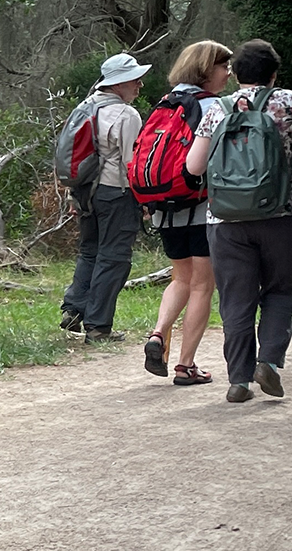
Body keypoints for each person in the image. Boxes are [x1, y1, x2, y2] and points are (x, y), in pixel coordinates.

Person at [186, 39, 292, 403]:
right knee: (280, 290)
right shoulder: (287, 100)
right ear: (274, 74)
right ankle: (269, 362)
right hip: (283, 214)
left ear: (236, 74)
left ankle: (238, 380)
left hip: (224, 219)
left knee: (236, 300)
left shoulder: (217, 109)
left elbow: (193, 166)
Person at [142, 40, 233, 386]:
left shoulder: (164, 104)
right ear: (207, 70)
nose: (228, 73)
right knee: (202, 285)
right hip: (200, 204)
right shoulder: (215, 107)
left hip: (165, 207)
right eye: (224, 66)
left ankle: (158, 334)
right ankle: (185, 365)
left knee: (180, 278)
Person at [60, 52, 150, 343]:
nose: (139, 85)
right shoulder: (126, 115)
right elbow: (131, 164)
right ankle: (98, 326)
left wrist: (74, 196)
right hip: (116, 194)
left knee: (90, 251)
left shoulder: (84, 107)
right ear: (119, 83)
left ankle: (74, 309)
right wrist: (145, 201)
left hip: (85, 192)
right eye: (135, 80)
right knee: (114, 258)